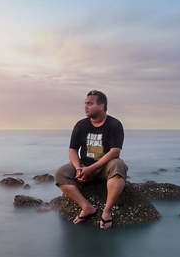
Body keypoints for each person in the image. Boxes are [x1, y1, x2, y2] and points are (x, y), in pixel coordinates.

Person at [54, 89, 128, 229]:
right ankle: (87, 207)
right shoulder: (81, 125)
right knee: (60, 173)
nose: (86, 107)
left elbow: (115, 152)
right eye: (85, 103)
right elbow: (72, 150)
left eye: (90, 103)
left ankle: (107, 211)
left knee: (118, 166)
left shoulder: (114, 124)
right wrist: (78, 168)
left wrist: (90, 169)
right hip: (84, 165)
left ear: (101, 106)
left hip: (105, 167)